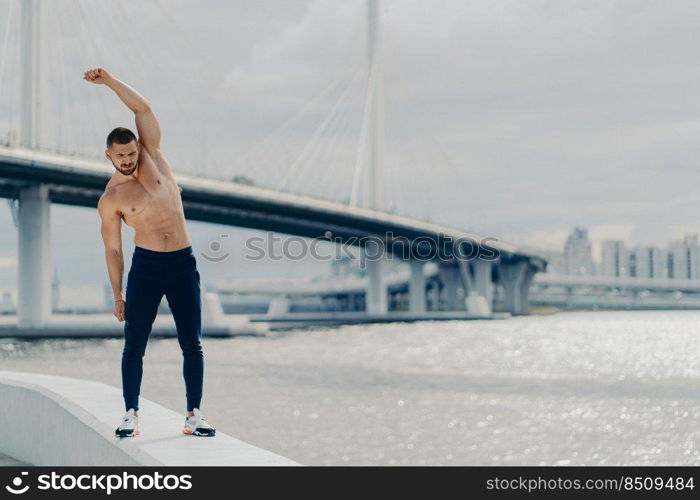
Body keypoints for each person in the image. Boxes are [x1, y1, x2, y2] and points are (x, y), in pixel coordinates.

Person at [85, 67, 215, 438]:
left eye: (130, 152)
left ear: (138, 147)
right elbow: (113, 248)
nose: (127, 159)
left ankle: (194, 415)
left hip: (181, 263)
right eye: (120, 155)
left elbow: (143, 107)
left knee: (192, 342)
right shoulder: (111, 199)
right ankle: (131, 413)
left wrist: (109, 81)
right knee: (134, 345)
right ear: (108, 155)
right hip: (146, 267)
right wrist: (117, 293)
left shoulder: (155, 157)